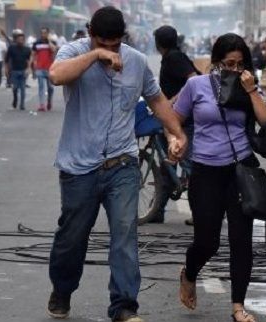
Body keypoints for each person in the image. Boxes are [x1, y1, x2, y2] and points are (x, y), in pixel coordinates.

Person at [46, 6, 187, 322]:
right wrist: (96, 56)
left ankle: (123, 305)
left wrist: (176, 132)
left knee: (125, 235)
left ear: (123, 38)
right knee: (73, 237)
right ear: (91, 34)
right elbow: (56, 76)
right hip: (79, 166)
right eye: (103, 43)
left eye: (115, 44)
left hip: (122, 164)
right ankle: (62, 289)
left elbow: (156, 99)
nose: (112, 50)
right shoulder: (74, 52)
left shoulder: (136, 61)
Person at [171, 33, 266, 322]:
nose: (233, 69)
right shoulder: (196, 86)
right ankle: (189, 272)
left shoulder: (247, 86)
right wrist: (176, 140)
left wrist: (252, 91)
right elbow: (174, 119)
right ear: (216, 62)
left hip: (240, 172)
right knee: (207, 241)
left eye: (240, 64)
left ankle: (238, 307)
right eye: (228, 63)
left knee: (241, 241)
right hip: (205, 172)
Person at [151, 25, 199, 224]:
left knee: (189, 165)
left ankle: (202, 212)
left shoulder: (175, 58)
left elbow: (194, 80)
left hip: (183, 121)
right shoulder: (172, 56)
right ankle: (157, 212)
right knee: (166, 165)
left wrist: (173, 102)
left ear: (158, 43)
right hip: (172, 119)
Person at [32, 27, 58, 111]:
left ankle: (49, 101)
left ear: (48, 33)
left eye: (45, 33)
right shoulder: (36, 43)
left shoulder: (52, 42)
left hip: (50, 68)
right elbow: (33, 54)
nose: (43, 34)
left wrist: (49, 41)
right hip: (40, 68)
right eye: (42, 33)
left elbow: (54, 50)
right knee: (41, 87)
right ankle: (42, 104)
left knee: (50, 87)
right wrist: (34, 65)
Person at [5, 31, 32, 110]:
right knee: (15, 88)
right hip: (14, 71)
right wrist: (6, 69)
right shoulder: (11, 48)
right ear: (16, 40)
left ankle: (22, 104)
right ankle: (15, 99)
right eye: (19, 39)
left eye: (22, 39)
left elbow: (29, 60)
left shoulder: (27, 49)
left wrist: (28, 69)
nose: (20, 40)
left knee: (23, 89)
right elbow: (6, 60)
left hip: (23, 71)